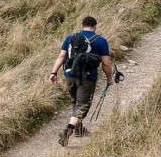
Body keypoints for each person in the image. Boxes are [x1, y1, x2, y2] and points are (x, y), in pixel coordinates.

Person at [49, 15, 117, 146]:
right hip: (87, 78)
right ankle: (67, 131)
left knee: (76, 102)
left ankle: (79, 130)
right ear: (95, 27)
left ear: (82, 26)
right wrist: (109, 78)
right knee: (82, 105)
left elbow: (62, 56)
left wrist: (53, 72)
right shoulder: (100, 41)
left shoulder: (70, 38)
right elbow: (106, 63)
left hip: (69, 75)